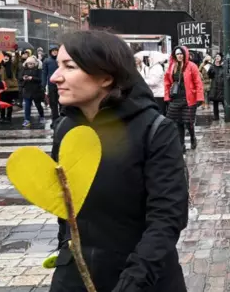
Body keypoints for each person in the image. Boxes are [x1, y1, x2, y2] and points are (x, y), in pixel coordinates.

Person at [48, 30, 188, 291]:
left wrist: (133, 282)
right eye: (58, 66)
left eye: (69, 66)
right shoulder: (64, 129)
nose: (55, 77)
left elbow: (167, 218)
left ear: (105, 77)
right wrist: (65, 256)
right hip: (75, 277)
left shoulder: (155, 130)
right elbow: (65, 210)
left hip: (144, 279)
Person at [164, 46, 204, 152]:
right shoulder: (172, 66)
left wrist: (199, 97)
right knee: (178, 122)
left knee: (188, 122)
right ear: (174, 55)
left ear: (185, 54)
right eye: (177, 54)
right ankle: (181, 145)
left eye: (181, 54)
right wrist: (167, 96)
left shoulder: (192, 66)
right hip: (176, 99)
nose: (179, 56)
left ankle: (192, 138)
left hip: (189, 99)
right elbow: (167, 82)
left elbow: (198, 82)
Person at [20, 56, 45, 127]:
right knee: (27, 106)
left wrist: (32, 78)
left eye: (31, 64)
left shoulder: (38, 70)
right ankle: (27, 120)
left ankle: (42, 116)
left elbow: (40, 79)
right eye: (28, 64)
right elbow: (20, 78)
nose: (30, 65)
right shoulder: (24, 70)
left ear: (34, 64)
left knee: (38, 105)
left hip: (36, 91)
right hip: (27, 91)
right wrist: (23, 78)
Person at [0, 52, 19, 123]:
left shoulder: (12, 65)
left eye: (7, 56)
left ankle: (8, 117)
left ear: (9, 58)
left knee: (9, 104)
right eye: (4, 56)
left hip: (11, 88)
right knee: (2, 103)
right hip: (2, 88)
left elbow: (17, 61)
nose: (5, 57)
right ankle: (2, 117)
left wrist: (16, 53)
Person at [42, 46, 60, 125]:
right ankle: (55, 119)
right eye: (53, 51)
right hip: (51, 84)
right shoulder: (47, 61)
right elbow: (44, 73)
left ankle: (62, 118)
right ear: (50, 52)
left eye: (56, 50)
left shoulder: (60, 60)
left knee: (62, 102)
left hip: (61, 83)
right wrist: (43, 84)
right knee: (53, 103)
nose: (54, 52)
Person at [207, 54, 225, 121]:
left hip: (222, 87)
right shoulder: (212, 66)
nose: (217, 57)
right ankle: (216, 116)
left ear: (221, 58)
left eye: (218, 56)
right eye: (216, 56)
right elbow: (210, 76)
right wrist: (211, 71)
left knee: (224, 102)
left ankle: (227, 116)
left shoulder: (223, 66)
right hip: (214, 86)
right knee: (215, 103)